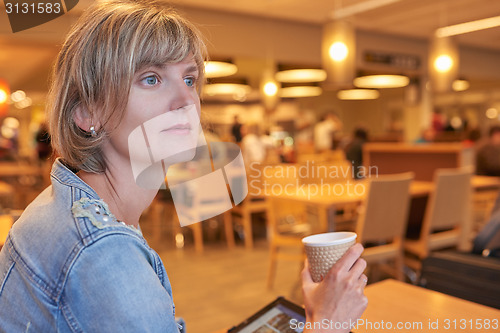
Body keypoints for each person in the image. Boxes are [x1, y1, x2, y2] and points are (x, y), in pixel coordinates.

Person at [0, 1, 367, 332]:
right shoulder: (103, 253)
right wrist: (328, 324)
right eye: (151, 78)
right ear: (87, 112)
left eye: (189, 79)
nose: (185, 100)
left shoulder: (66, 201)